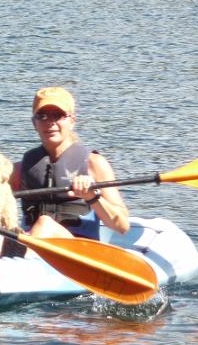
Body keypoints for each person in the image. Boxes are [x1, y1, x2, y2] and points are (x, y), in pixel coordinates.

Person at [11, 87, 130, 242]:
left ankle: (22, 250)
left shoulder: (94, 164)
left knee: (44, 222)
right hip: (33, 241)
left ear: (72, 121)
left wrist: (92, 196)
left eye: (58, 115)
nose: (50, 122)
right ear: (34, 123)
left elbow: (122, 226)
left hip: (78, 248)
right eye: (42, 116)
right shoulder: (20, 169)